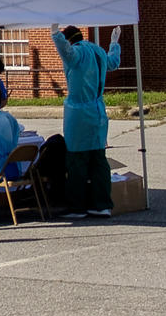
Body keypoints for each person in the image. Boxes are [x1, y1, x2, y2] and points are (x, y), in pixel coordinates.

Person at [52, 24, 123, 219]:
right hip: (98, 110)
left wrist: (55, 35)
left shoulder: (77, 53)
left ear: (69, 40)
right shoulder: (98, 51)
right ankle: (102, 204)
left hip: (79, 113)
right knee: (99, 159)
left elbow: (66, 52)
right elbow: (113, 62)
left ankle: (77, 206)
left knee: (77, 160)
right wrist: (114, 43)